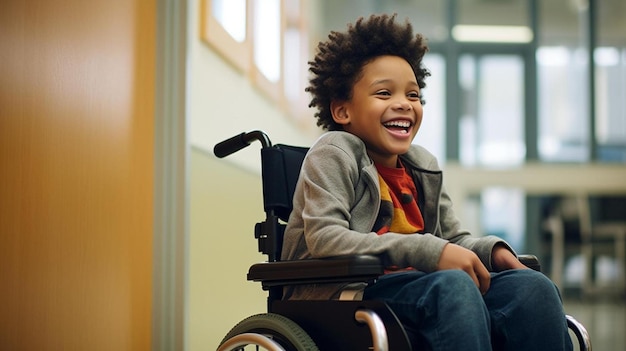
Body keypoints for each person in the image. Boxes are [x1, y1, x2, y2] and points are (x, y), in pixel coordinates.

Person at [280, 13, 573, 351]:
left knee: (532, 287)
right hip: (348, 293)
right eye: (384, 93)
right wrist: (430, 251)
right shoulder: (333, 152)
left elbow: (452, 238)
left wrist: (491, 252)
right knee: (453, 288)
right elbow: (325, 238)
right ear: (343, 111)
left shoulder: (421, 165)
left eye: (413, 95)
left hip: (421, 289)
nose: (404, 103)